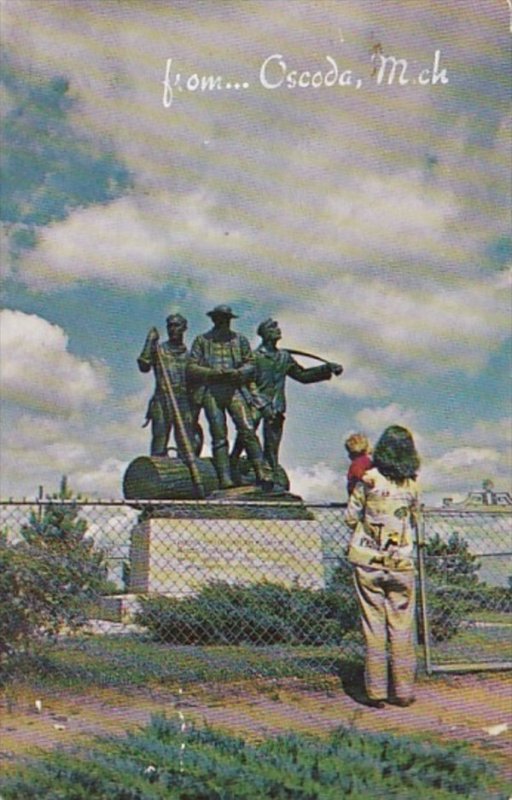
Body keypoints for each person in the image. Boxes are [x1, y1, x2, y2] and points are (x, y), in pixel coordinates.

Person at [345, 425, 420, 708]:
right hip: (400, 562)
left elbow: (351, 517)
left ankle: (375, 691)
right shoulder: (412, 485)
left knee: (373, 625)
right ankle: (403, 690)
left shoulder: (369, 480)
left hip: (368, 560)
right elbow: (415, 519)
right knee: (401, 627)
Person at [231, 318, 342, 483]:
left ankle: (271, 478)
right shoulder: (254, 357)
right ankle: (232, 466)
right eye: (273, 328)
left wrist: (326, 369)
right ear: (265, 334)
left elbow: (302, 376)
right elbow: (245, 383)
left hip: (277, 407)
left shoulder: (284, 357)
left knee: (272, 447)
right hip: (257, 405)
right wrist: (260, 402)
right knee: (246, 436)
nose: (278, 331)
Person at [187, 305, 273, 491]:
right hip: (212, 391)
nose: (223, 322)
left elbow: (251, 364)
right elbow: (191, 367)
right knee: (219, 436)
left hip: (235, 389)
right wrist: (212, 373)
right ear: (214, 320)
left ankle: (262, 472)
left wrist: (238, 372)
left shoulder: (240, 340)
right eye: (220, 318)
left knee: (248, 429)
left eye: (226, 318)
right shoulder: (202, 341)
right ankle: (225, 478)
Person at [138, 314, 201, 458]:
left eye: (176, 325)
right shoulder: (159, 351)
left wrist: (196, 406)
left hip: (184, 401)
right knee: (159, 440)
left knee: (186, 444)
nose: (172, 329)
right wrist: (149, 341)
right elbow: (144, 366)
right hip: (162, 399)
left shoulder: (190, 356)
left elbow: (198, 383)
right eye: (170, 326)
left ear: (184, 328)